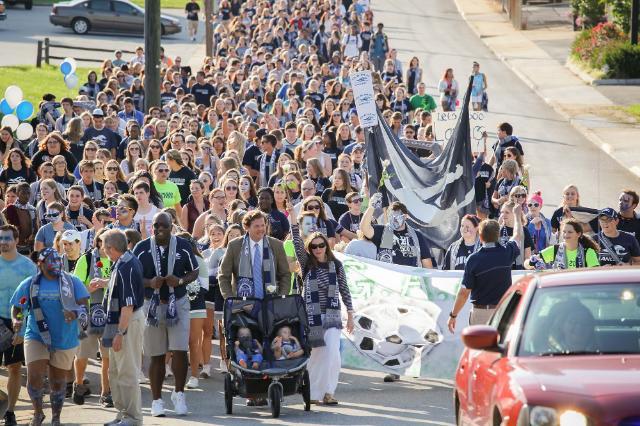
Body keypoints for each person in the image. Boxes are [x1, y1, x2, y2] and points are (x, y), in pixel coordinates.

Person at [10, 248, 89, 426]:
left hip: (64, 338)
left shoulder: (73, 282)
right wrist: (17, 320)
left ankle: (56, 418)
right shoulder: (30, 284)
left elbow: (85, 308)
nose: (55, 266)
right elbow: (18, 307)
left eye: (57, 263)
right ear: (41, 264)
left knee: (57, 381)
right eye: (50, 263)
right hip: (36, 335)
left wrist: (76, 313)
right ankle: (38, 413)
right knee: (34, 377)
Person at [132, 212, 199, 417]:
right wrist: (149, 283)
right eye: (156, 226)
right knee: (156, 354)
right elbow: (135, 276)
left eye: (164, 226)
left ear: (172, 227)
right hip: (151, 305)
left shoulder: (183, 246)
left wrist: (179, 281)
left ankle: (179, 394)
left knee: (180, 350)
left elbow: (194, 271)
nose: (159, 230)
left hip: (177, 302)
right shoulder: (142, 248)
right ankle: (157, 400)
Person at [287, 202, 354, 405]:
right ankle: (314, 393)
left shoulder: (336, 265)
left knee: (333, 354)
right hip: (312, 316)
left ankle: (329, 392)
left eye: (321, 245)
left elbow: (345, 290)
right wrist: (292, 217)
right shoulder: (307, 264)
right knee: (317, 355)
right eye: (314, 246)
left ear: (326, 245)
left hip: (332, 315)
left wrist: (351, 314)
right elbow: (298, 243)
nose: (317, 249)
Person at [93, 229, 145, 426]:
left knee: (127, 371)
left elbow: (128, 305)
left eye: (104, 247)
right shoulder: (123, 262)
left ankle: (134, 418)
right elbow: (120, 287)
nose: (102, 251)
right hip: (120, 321)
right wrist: (105, 282)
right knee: (115, 371)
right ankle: (123, 414)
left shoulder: (127, 267)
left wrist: (120, 333)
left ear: (111, 248)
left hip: (127, 321)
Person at [447, 207, 524, 333]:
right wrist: (517, 216)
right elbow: (518, 235)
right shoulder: (506, 253)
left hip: (480, 314)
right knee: (501, 351)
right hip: (502, 313)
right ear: (497, 235)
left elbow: (464, 292)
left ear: (480, 237)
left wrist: (453, 315)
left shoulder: (474, 259)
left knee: (479, 352)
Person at [0, 225, 38, 426]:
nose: (3, 242)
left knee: (14, 368)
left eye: (7, 238)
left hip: (17, 321)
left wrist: (21, 329)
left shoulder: (28, 267)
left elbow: (32, 300)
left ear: (16, 241)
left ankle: (10, 411)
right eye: (0, 238)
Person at [71, 228, 112, 408]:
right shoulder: (86, 259)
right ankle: (78, 384)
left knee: (107, 356)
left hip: (110, 314)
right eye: (106, 242)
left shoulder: (118, 260)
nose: (109, 246)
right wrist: (90, 289)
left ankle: (106, 393)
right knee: (83, 355)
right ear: (98, 242)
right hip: (86, 315)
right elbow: (74, 290)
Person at [218, 210, 290, 300]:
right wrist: (231, 300)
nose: (261, 229)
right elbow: (224, 276)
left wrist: (281, 298)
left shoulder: (276, 245)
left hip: (272, 304)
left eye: (263, 225)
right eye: (256, 226)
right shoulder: (234, 246)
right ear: (246, 227)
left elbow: (285, 275)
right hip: (242, 305)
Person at [360, 194, 433, 268]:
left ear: (405, 217)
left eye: (397, 217)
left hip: (411, 277)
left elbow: (426, 262)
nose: (394, 220)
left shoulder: (417, 235)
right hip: (389, 276)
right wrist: (371, 207)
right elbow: (364, 228)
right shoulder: (382, 231)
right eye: (391, 217)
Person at [530, 219, 600, 270]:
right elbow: (528, 264)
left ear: (578, 234)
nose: (566, 235)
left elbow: (595, 274)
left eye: (570, 232)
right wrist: (532, 261)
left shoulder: (588, 252)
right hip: (560, 288)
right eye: (564, 232)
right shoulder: (555, 249)